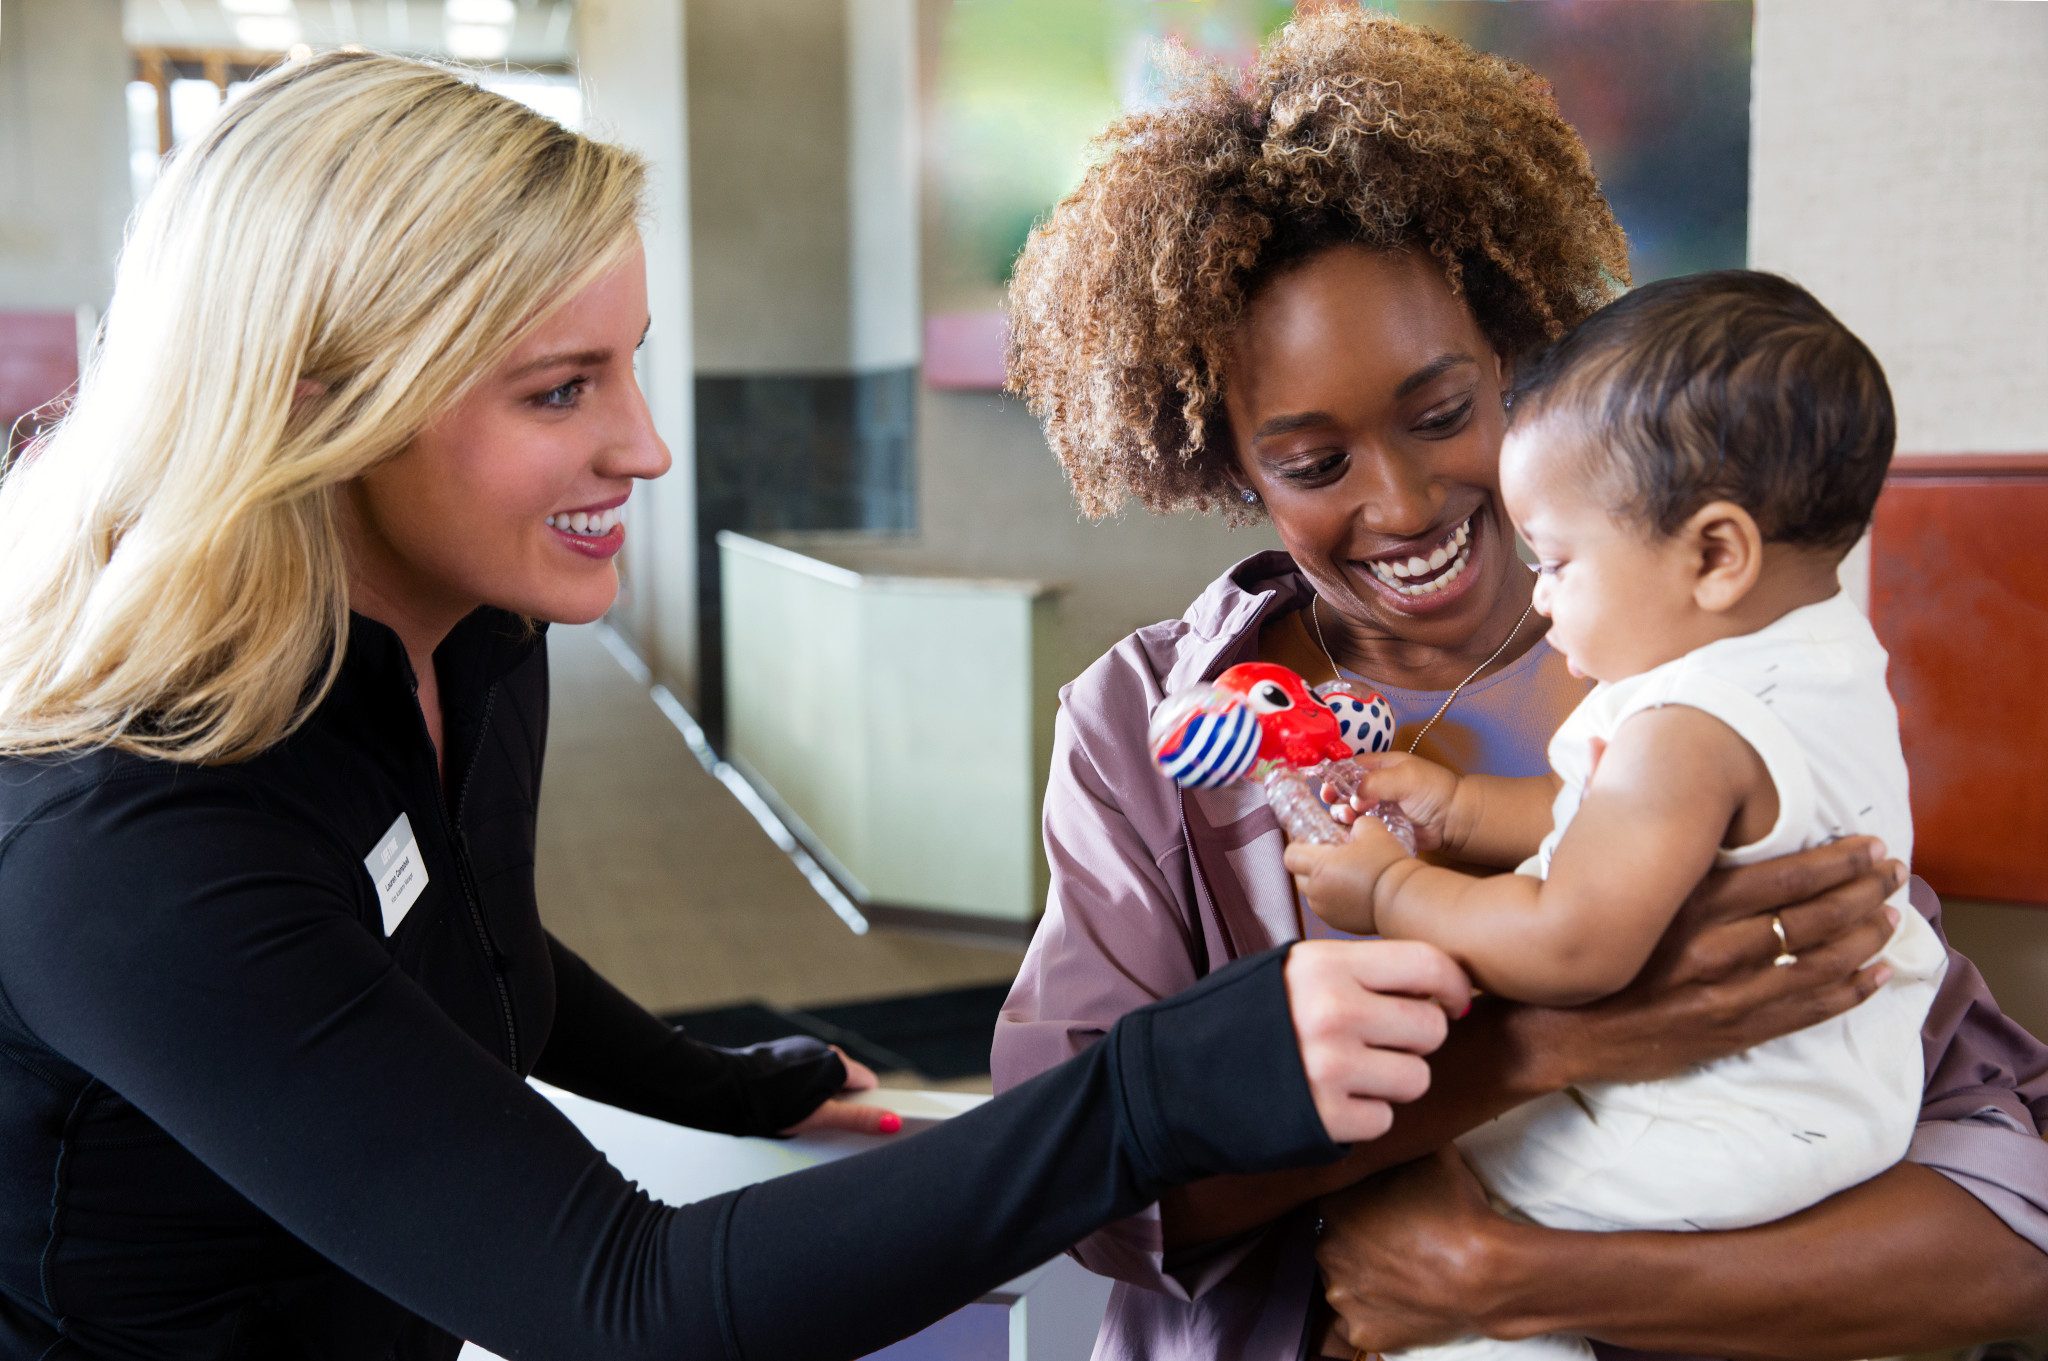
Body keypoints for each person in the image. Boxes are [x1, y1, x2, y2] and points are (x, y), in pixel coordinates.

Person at [0, 51, 1478, 1360]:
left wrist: (715, 1084)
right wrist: (1161, 1087)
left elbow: (451, 939)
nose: (645, 446)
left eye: (630, 364)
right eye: (561, 390)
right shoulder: (125, 845)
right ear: (322, 406)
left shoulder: (471, 642)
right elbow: (625, 1302)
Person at [994, 10, 2048, 1360]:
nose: (1404, 501)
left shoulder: (1713, 685)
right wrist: (1534, 1056)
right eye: (1313, 463)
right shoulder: (1149, 728)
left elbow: (2004, 1218)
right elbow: (1073, 1183)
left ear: (1516, 354)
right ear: (1226, 464)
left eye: (1444, 414)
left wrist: (1514, 1283)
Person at [1286, 271, 1948, 1361]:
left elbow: (1574, 940)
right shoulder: (1818, 661)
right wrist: (1456, 804)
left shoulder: (1685, 723)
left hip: (1721, 1124)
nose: (1538, 595)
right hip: (1844, 1094)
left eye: (1556, 561)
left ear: (1712, 555)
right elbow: (1620, 826)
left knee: (1423, 1208)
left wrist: (1392, 887)